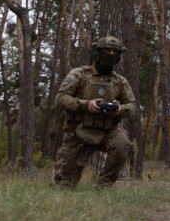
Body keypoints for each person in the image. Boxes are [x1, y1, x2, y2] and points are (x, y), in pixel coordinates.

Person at [53, 36, 137, 189]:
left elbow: (132, 105)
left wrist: (119, 109)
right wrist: (86, 105)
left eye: (114, 52)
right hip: (77, 133)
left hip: (107, 132)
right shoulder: (80, 74)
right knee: (63, 186)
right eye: (107, 50)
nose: (110, 54)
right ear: (97, 53)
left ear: (118, 56)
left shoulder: (120, 81)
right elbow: (60, 98)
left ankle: (103, 187)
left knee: (121, 142)